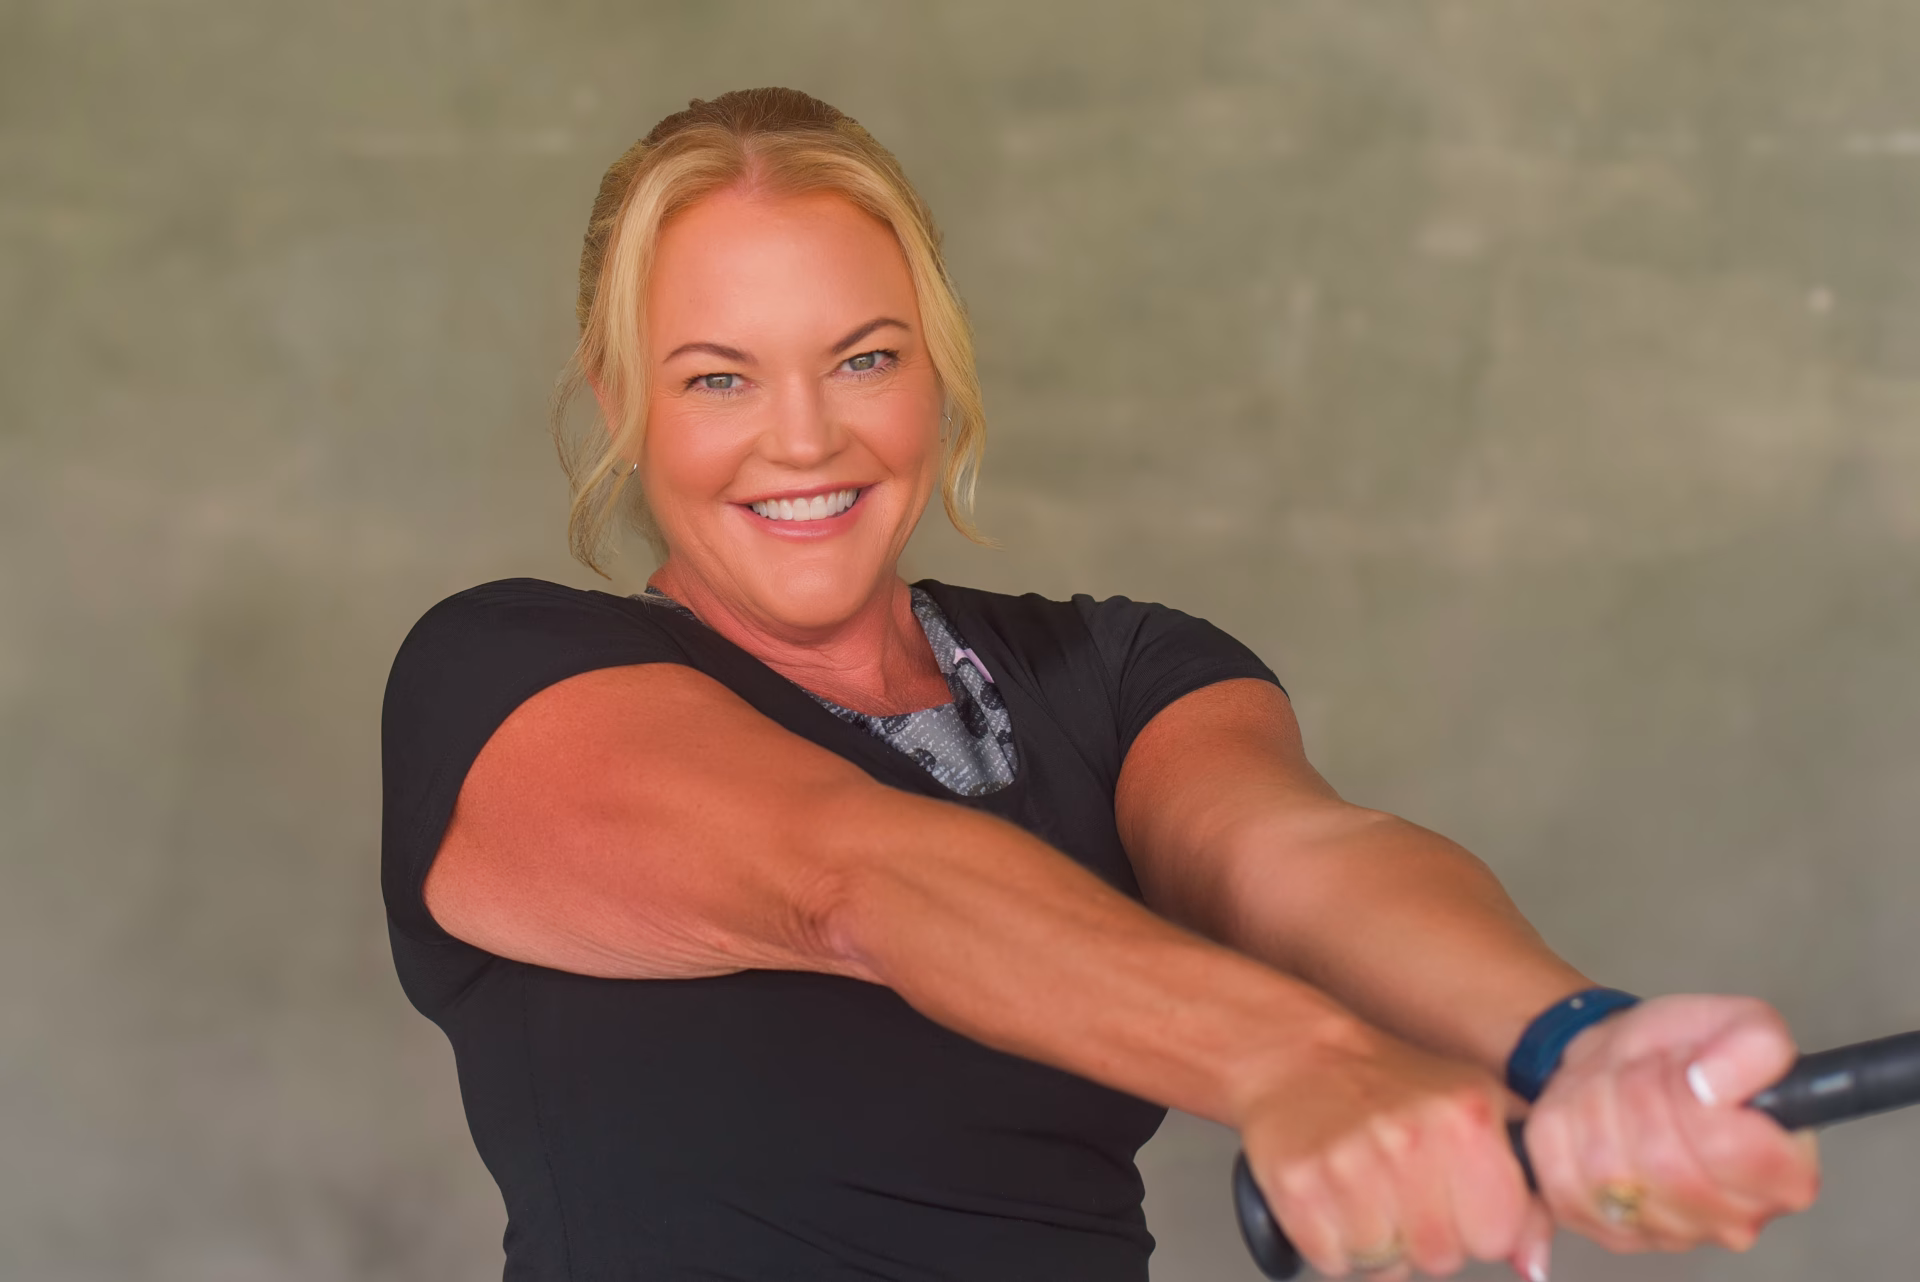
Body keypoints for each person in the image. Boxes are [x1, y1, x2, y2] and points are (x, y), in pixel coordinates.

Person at [381, 87, 1820, 1282]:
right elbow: (858, 877)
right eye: (718, 378)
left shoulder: (1116, 670)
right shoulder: (506, 682)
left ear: (936, 369)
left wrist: (1576, 1041)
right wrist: (1303, 1064)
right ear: (622, 401)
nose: (804, 439)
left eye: (863, 359)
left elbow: (1296, 858)